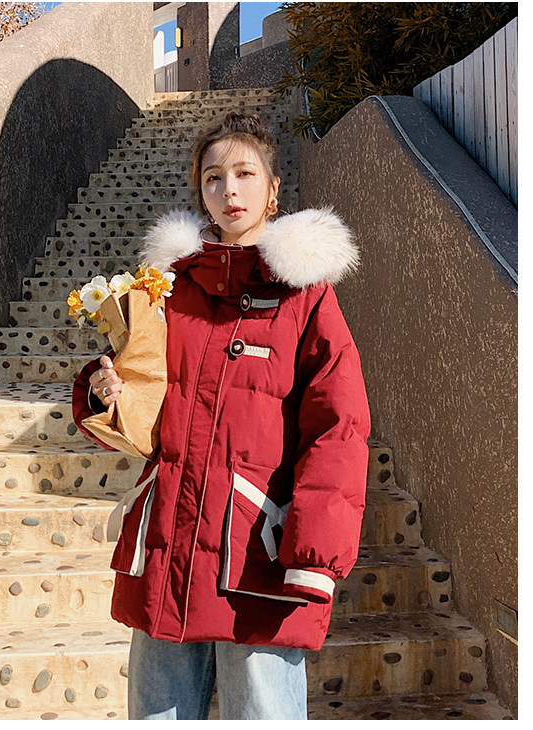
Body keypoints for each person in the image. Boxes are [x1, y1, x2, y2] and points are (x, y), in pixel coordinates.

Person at [71, 112, 372, 720]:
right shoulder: (167, 290)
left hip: (258, 551)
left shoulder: (304, 295)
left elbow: (339, 425)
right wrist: (106, 392)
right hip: (168, 541)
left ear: (273, 188)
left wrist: (314, 553)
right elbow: (146, 394)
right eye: (213, 178)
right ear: (200, 191)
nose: (229, 190)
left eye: (244, 174)